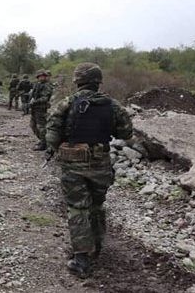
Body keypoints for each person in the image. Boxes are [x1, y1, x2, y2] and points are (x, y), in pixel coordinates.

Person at [45, 62, 132, 278]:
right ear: (98, 82)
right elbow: (126, 133)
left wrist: (54, 148)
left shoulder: (66, 103)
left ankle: (82, 259)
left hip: (73, 164)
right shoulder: (112, 105)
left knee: (77, 208)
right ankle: (98, 246)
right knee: (97, 204)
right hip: (100, 163)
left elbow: (52, 133)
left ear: (77, 81)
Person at [29, 69, 53, 150]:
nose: (41, 78)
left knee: (41, 127)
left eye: (43, 76)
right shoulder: (37, 84)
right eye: (40, 76)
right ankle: (43, 140)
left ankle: (44, 144)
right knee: (33, 125)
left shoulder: (47, 85)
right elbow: (33, 95)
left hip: (41, 109)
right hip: (35, 108)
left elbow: (45, 98)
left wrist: (34, 102)